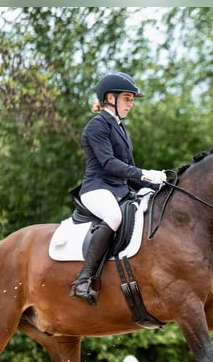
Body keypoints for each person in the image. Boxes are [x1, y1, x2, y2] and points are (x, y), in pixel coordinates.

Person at [70, 72, 167, 305]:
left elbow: (129, 172)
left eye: (132, 99)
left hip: (119, 190)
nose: (130, 104)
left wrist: (155, 184)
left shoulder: (121, 129)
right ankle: (83, 279)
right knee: (113, 216)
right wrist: (144, 173)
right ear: (110, 97)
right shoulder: (97, 126)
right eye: (127, 98)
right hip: (97, 189)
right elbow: (109, 164)